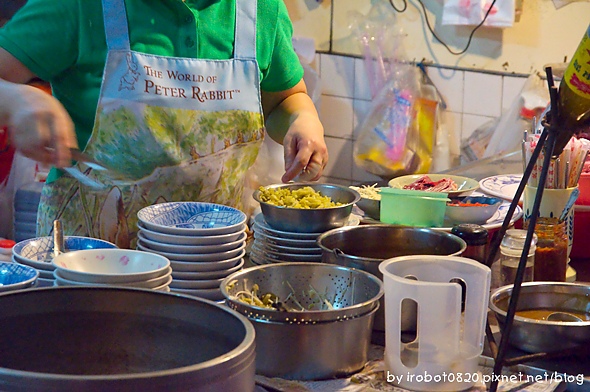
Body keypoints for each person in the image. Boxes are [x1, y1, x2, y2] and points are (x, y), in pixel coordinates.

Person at [0, 0, 328, 248]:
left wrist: (303, 119)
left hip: (210, 262)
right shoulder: (80, 6)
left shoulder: (259, 9)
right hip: (86, 266)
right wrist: (16, 101)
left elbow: (284, 99)